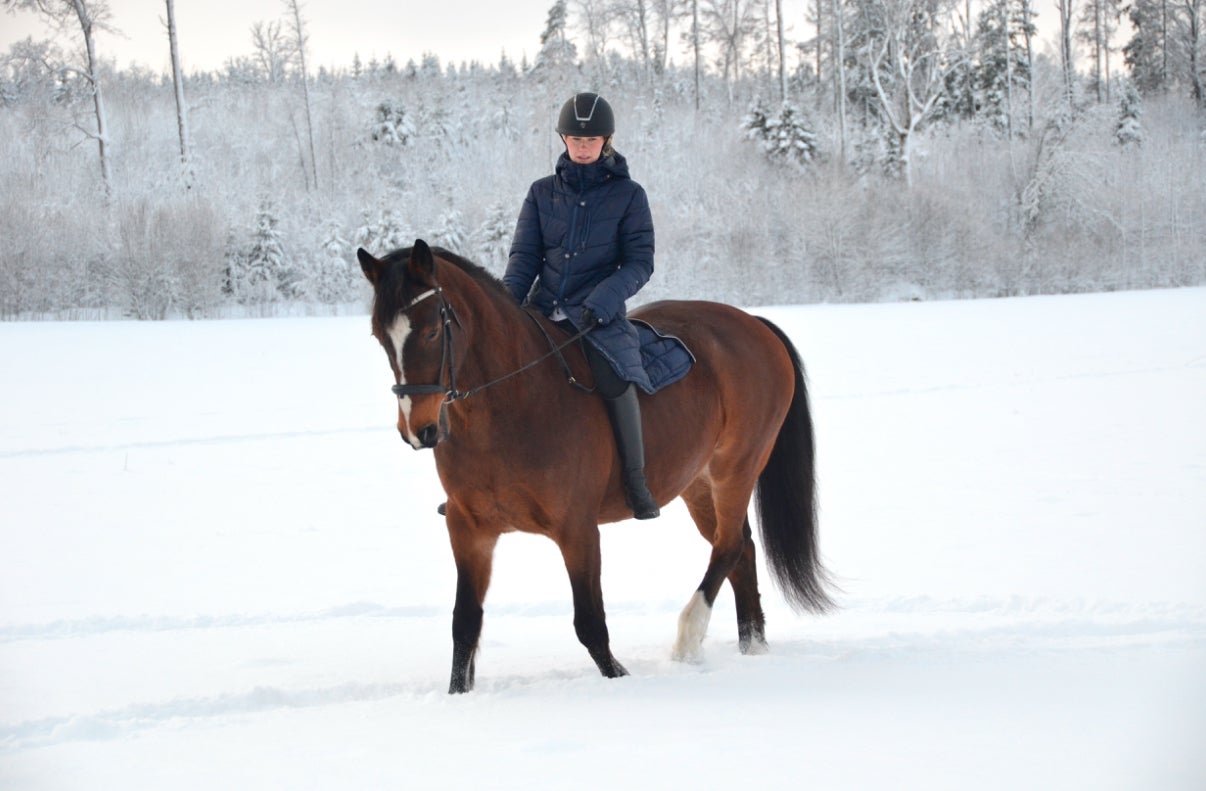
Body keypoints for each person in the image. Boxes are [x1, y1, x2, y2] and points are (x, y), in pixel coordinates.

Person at [503, 92, 661, 520]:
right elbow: (523, 260)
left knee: (616, 379)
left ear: (606, 140)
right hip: (542, 312)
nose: (583, 145)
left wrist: (606, 299)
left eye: (591, 139)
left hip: (598, 317)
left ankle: (635, 480)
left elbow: (640, 262)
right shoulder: (541, 194)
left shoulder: (629, 195)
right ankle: (483, 481)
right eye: (575, 137)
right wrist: (505, 308)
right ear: (563, 139)